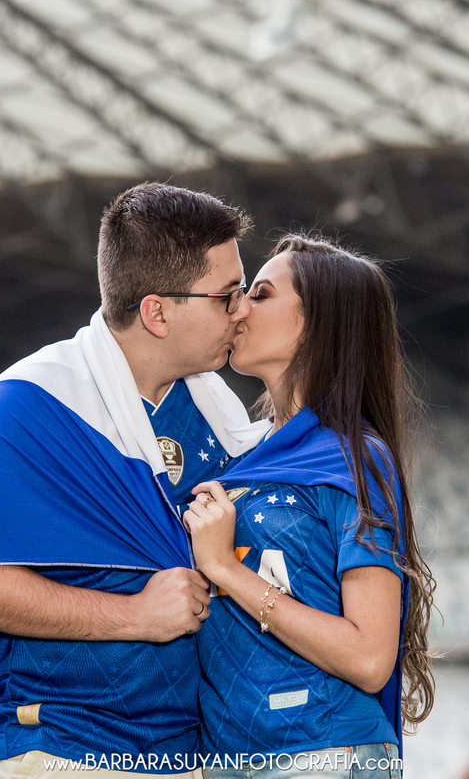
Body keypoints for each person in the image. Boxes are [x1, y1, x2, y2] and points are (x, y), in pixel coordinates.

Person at [0, 183, 271, 779]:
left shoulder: (223, 418)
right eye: (227, 295)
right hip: (59, 749)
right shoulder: (24, 407)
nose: (242, 311)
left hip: (193, 754)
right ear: (157, 312)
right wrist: (134, 616)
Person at [181, 234, 436, 777]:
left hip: (323, 754)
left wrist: (226, 568)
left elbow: (369, 659)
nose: (238, 306)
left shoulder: (354, 459)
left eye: (260, 294)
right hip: (225, 760)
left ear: (317, 323)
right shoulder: (240, 460)